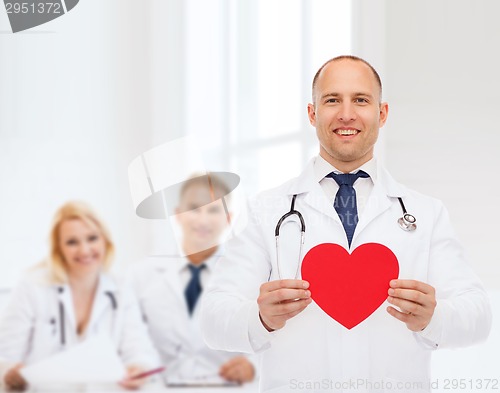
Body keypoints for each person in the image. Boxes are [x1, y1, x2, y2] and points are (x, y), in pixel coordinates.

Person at [200, 55, 492, 392]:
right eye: (332, 100)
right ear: (312, 114)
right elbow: (213, 320)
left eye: (361, 100)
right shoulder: (268, 210)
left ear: (382, 114)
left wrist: (435, 318)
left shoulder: (426, 212)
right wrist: (260, 318)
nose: (346, 113)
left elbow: (479, 316)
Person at [0, 201, 160, 391]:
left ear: (105, 240)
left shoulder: (121, 287)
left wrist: (138, 368)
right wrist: (10, 373)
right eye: (72, 242)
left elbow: (139, 348)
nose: (84, 250)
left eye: (92, 238)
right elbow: (6, 355)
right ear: (59, 249)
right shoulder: (32, 287)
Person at [128, 174, 256, 385]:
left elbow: (272, 335)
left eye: (213, 210)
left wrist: (253, 366)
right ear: (178, 214)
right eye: (194, 208)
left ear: (228, 218)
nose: (203, 219)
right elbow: (131, 336)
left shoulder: (248, 273)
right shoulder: (140, 276)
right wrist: (138, 364)